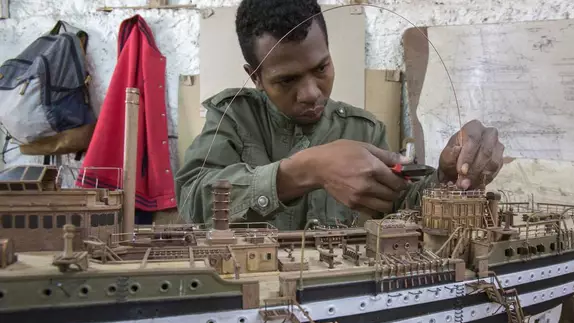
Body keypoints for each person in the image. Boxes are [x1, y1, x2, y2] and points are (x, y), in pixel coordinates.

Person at [175, 0, 504, 230]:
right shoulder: (233, 118)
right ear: (256, 76)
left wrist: (444, 180)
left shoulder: (364, 130)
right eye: (286, 80)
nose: (311, 93)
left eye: (322, 68)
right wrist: (306, 170)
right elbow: (192, 202)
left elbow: (399, 203)